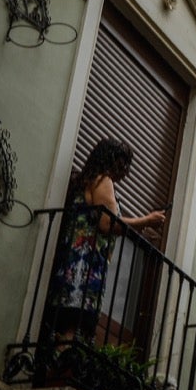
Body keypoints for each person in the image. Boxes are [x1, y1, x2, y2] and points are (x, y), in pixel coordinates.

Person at [50, 138, 165, 339]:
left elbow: (105, 221)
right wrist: (147, 219)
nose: (125, 172)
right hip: (84, 266)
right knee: (74, 328)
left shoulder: (88, 180)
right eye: (123, 165)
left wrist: (139, 228)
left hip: (73, 262)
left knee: (68, 327)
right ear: (110, 160)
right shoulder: (103, 180)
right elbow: (107, 223)